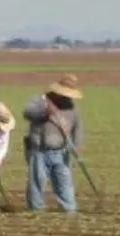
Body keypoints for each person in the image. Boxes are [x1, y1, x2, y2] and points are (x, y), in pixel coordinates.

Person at [22, 76, 83, 212]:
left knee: (64, 182)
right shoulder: (41, 101)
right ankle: (36, 210)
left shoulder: (72, 108)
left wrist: (76, 146)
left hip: (61, 151)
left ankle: (69, 210)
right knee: (38, 182)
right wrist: (45, 113)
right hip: (39, 150)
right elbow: (27, 113)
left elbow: (77, 128)